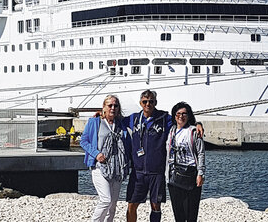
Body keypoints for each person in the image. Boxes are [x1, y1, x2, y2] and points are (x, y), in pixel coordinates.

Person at [125, 90, 203, 222]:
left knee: (156, 205)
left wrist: (198, 124)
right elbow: (114, 119)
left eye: (151, 101)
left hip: (157, 172)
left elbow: (182, 121)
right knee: (132, 204)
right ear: (140, 103)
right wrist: (100, 115)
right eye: (145, 101)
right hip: (138, 171)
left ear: (156, 102)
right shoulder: (133, 118)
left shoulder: (164, 118)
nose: (148, 104)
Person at [80, 94, 131, 222]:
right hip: (99, 166)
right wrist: (96, 154)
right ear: (104, 107)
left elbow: (128, 144)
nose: (113, 108)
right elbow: (84, 141)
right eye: (110, 105)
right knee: (106, 200)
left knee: (113, 205)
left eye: (115, 105)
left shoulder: (121, 123)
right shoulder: (95, 122)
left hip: (117, 168)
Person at [166, 102, 205, 222]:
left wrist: (201, 173)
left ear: (189, 115)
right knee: (178, 213)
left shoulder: (194, 131)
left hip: (190, 174)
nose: (181, 116)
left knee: (191, 213)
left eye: (184, 113)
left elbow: (201, 153)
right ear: (174, 115)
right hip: (174, 174)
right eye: (178, 114)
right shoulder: (171, 130)